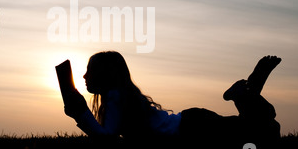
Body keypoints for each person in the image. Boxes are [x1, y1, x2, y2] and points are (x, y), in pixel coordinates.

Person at [63, 51, 281, 142]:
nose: (84, 75)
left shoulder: (116, 96)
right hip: (191, 124)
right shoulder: (117, 96)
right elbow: (107, 136)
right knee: (259, 129)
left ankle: (245, 93)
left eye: (89, 70)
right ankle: (246, 93)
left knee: (264, 128)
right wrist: (79, 113)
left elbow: (108, 140)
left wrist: (80, 113)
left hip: (193, 129)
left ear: (104, 74)